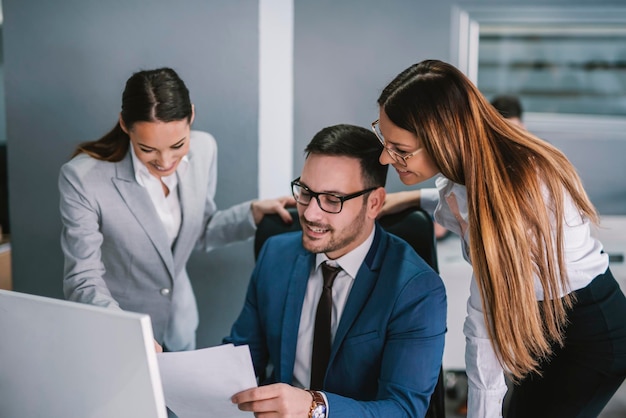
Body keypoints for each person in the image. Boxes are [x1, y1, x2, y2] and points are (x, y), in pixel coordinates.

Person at [373, 59, 626, 418]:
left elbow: (482, 329)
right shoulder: (471, 167)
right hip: (543, 325)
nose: (385, 157)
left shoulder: (508, 197)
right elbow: (454, 200)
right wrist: (407, 198)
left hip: (589, 334)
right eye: (383, 140)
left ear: (443, 139)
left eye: (399, 148)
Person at [59, 67, 294, 353]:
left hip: (179, 326)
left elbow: (199, 232)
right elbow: (82, 279)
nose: (165, 161)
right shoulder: (82, 178)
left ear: (191, 115)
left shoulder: (204, 149)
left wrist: (252, 213)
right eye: (148, 149)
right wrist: (129, 331)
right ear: (124, 125)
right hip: (120, 331)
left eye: (178, 145)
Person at [226, 124, 446, 417]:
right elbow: (240, 361)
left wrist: (313, 407)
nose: (309, 213)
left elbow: (403, 409)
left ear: (374, 203)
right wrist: (167, 367)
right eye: (306, 192)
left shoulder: (416, 288)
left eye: (333, 199)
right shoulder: (276, 255)